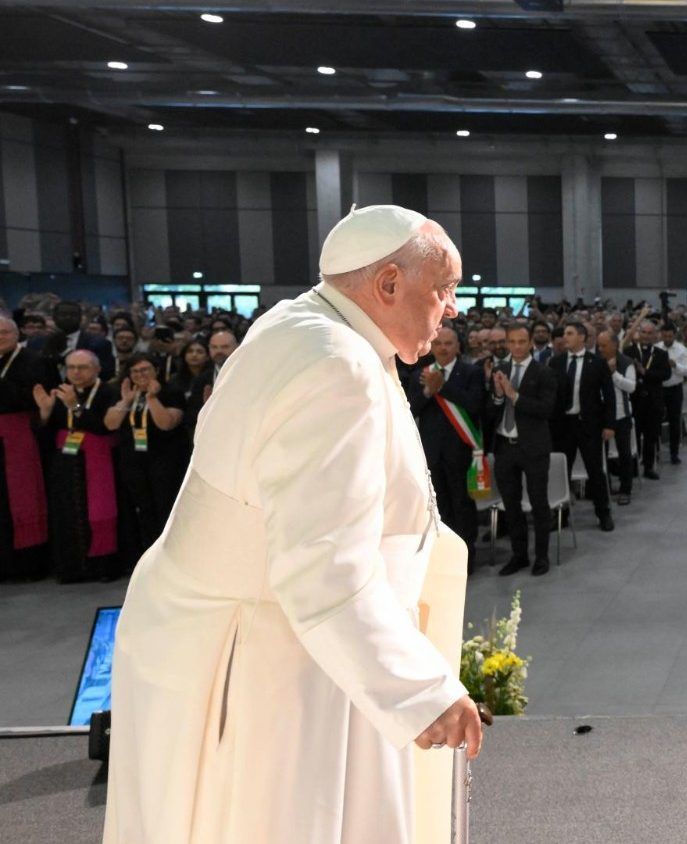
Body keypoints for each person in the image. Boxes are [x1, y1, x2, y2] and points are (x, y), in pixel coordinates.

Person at [105, 205, 483, 843]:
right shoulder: (338, 367)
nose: (452, 311)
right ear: (388, 284)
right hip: (266, 652)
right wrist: (421, 691)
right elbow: (321, 568)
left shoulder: (304, 322)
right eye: (444, 290)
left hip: (250, 631)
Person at [405, 327, 486, 573]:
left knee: (463, 506)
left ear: (458, 347)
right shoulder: (421, 374)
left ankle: (467, 558)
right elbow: (411, 410)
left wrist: (444, 387)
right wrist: (429, 391)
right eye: (438, 343)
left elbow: (475, 405)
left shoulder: (471, 372)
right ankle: (446, 557)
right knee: (440, 510)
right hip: (432, 454)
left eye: (449, 343)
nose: (443, 348)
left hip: (461, 453)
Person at [34, 348, 120, 582]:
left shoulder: (108, 392)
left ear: (97, 369)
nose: (76, 373)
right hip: (66, 463)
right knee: (67, 513)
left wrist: (76, 406)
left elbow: (103, 427)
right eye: (71, 367)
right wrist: (44, 413)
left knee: (99, 511)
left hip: (99, 461)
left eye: (82, 367)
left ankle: (102, 567)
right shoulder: (60, 392)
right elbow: (48, 431)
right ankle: (72, 568)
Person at [104, 353, 188, 568]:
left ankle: (171, 559)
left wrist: (152, 398)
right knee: (142, 509)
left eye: (145, 370)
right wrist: (126, 401)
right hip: (133, 460)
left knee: (165, 507)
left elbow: (166, 423)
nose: (140, 375)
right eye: (135, 371)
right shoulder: (125, 394)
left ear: (156, 370)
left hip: (164, 460)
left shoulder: (171, 391)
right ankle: (146, 558)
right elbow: (111, 424)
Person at [488, 322, 559, 576]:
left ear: (530, 343)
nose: (516, 347)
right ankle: (519, 555)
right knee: (511, 503)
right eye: (512, 342)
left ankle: (541, 556)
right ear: (507, 343)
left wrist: (514, 395)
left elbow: (546, 409)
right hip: (505, 446)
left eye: (521, 342)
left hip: (533, 446)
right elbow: (492, 410)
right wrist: (498, 395)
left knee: (539, 503)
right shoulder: (500, 369)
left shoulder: (544, 372)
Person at [548, 320, 616, 531]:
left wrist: (609, 424)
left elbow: (609, 396)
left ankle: (603, 513)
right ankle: (561, 514)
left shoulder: (596, 362)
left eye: (569, 333)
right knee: (562, 471)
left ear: (581, 337)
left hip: (589, 425)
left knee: (595, 470)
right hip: (563, 425)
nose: (564, 337)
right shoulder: (556, 363)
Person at [0, 317, 53, 580]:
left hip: (21, 435)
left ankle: (27, 565)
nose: (0, 337)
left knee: (24, 499)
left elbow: (32, 399)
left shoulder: (33, 360)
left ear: (16, 333)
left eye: (5, 332)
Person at [625, 319, 672, 480]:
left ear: (654, 335)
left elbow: (666, 375)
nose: (646, 336)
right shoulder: (628, 352)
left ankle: (649, 467)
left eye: (649, 333)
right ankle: (633, 468)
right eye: (643, 332)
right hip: (634, 400)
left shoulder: (661, 353)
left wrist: (645, 372)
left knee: (651, 436)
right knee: (634, 436)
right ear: (638, 334)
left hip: (653, 401)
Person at [597, 329, 638, 506]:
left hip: (621, 413)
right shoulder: (596, 361)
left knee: (624, 453)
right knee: (600, 454)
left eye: (604, 345)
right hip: (601, 414)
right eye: (599, 345)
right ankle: (603, 488)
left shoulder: (626, 362)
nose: (600, 349)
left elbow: (631, 387)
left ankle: (625, 489)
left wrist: (614, 374)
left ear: (614, 345)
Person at [29, 300, 115, 381]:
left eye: (73, 314)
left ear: (81, 318)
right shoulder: (37, 343)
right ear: (54, 318)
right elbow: (31, 371)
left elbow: (106, 373)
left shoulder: (99, 343)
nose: (68, 317)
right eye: (63, 314)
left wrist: (66, 353)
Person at [659, 323, 687, 464]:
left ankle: (674, 452)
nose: (667, 338)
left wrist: (675, 365)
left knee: (674, 420)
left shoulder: (681, 350)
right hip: (659, 388)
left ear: (674, 335)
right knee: (656, 420)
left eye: (670, 336)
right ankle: (656, 452)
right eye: (665, 336)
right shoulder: (657, 347)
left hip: (674, 388)